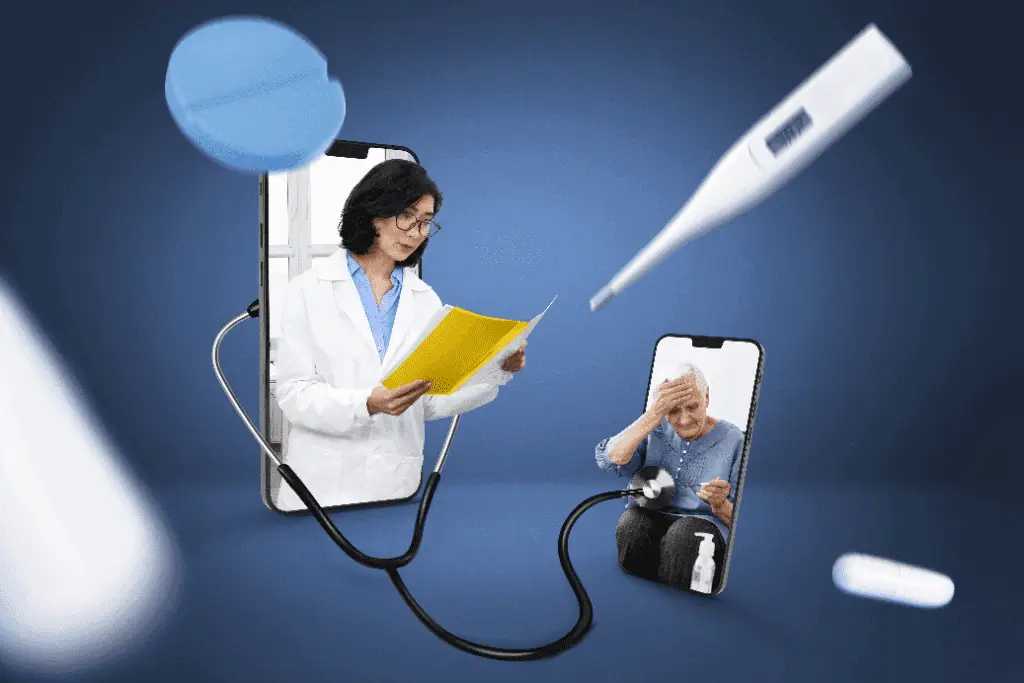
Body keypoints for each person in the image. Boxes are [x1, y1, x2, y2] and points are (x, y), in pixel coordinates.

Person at [273, 159, 527, 509]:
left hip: (395, 483)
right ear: (374, 214)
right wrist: (367, 403)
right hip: (321, 483)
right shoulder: (306, 290)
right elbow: (293, 394)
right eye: (407, 216)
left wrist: (497, 370)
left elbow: (429, 401)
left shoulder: (424, 299)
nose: (416, 232)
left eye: (426, 222)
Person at [595, 362, 744, 591]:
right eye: (673, 410)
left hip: (702, 527)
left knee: (685, 538)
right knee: (632, 528)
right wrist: (653, 414)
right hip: (651, 512)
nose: (684, 420)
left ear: (706, 398)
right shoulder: (655, 427)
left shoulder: (734, 440)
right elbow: (612, 458)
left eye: (692, 407)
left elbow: (742, 520)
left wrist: (720, 504)